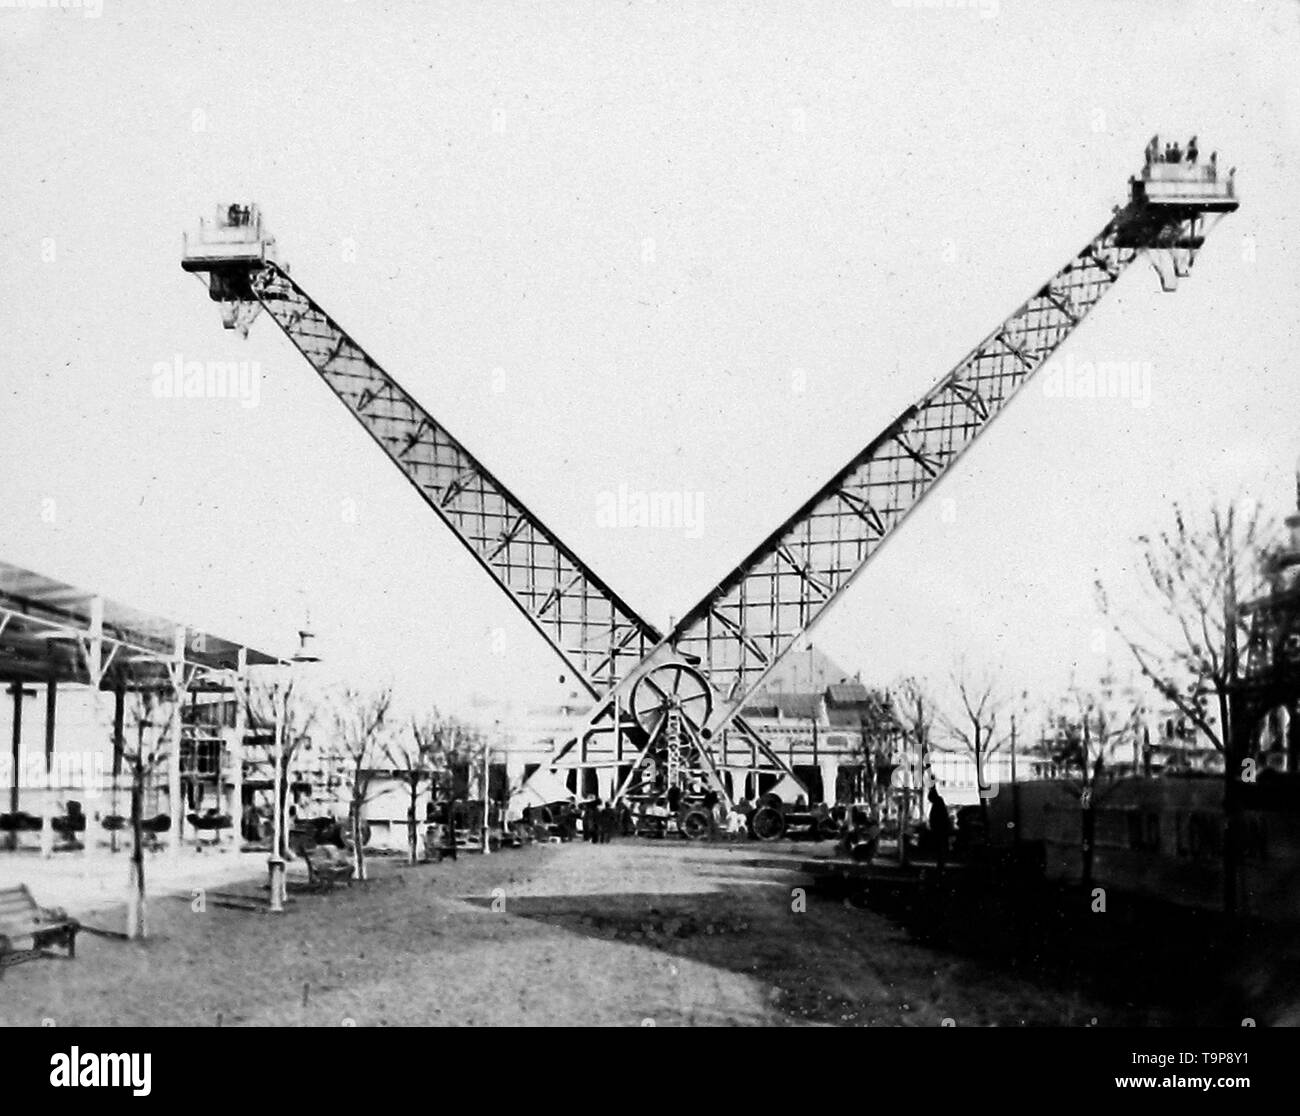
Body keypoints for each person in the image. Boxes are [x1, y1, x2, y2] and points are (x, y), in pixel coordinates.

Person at [927, 787, 952, 874]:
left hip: (940, 831)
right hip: (940, 830)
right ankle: (941, 866)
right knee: (941, 849)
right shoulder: (938, 804)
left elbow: (936, 818)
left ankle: (941, 866)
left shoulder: (937, 805)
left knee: (940, 849)